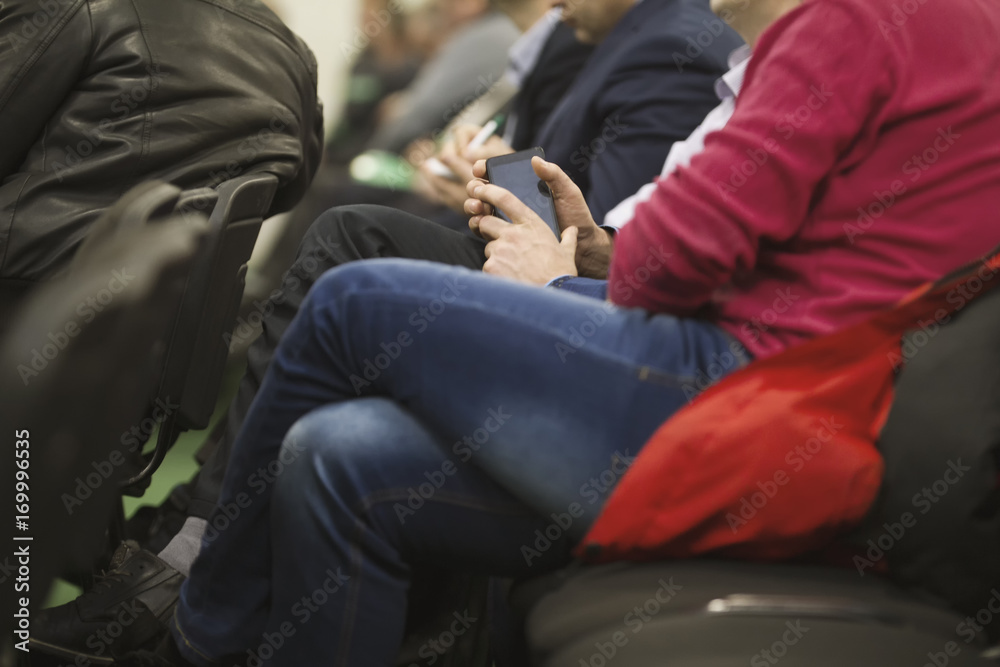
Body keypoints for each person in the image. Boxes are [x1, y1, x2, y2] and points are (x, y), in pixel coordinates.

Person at [119, 0, 1000, 663]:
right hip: (802, 401)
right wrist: (608, 251)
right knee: (335, 452)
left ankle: (200, 634)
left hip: (751, 395)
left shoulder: (850, 17)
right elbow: (720, 256)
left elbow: (673, 258)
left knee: (354, 293)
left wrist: (610, 252)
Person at [0, 0, 323, 332]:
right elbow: (288, 192)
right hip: (165, 337)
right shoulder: (294, 56)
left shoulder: (76, 9)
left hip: (28, 303)